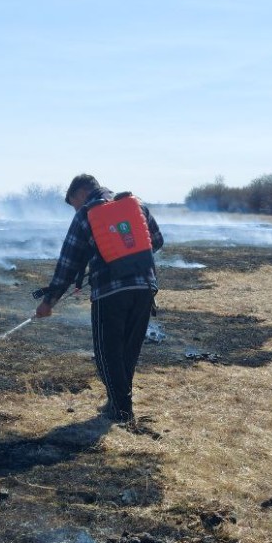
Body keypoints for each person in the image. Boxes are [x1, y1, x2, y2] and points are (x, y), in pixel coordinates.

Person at [35, 174, 164, 424]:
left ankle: (122, 411)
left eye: (73, 203)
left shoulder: (87, 213)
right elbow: (156, 241)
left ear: (81, 193)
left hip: (110, 292)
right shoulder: (136, 205)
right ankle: (118, 403)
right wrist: (122, 253)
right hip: (145, 288)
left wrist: (48, 301)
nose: (75, 209)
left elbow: (68, 262)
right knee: (128, 351)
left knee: (107, 353)